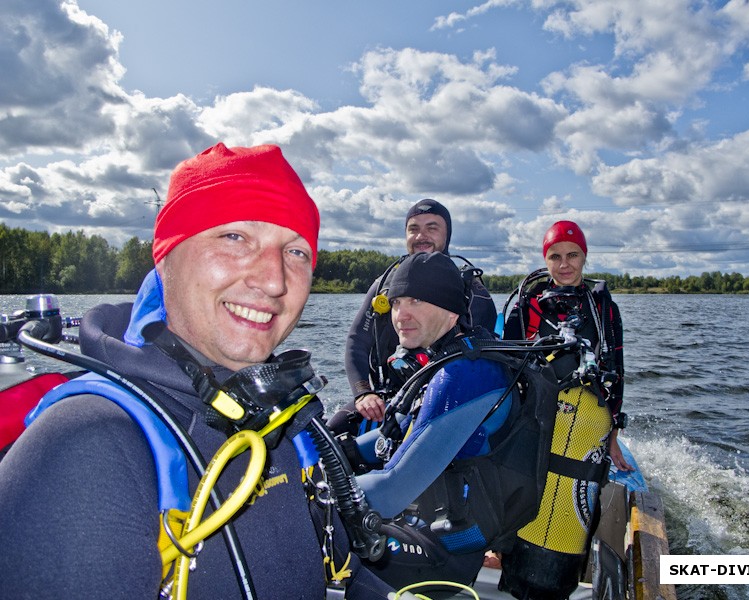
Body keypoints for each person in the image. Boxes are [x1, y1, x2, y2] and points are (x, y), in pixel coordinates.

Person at [0, 143, 395, 599]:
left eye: (296, 252)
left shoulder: (281, 421)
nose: (274, 280)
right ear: (165, 256)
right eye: (235, 237)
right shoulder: (89, 445)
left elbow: (341, 576)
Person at [343, 252, 558, 591]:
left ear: (451, 309)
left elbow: (391, 491)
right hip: (433, 522)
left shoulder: (465, 374)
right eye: (397, 302)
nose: (401, 315)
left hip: (446, 547)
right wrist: (332, 454)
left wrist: (313, 496)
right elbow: (389, 434)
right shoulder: (440, 363)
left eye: (417, 299)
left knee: (328, 531)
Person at [328, 199, 497, 435]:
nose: (421, 236)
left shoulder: (472, 292)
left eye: (432, 228)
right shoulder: (384, 285)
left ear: (447, 235)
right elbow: (357, 341)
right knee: (335, 430)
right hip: (390, 393)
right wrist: (363, 393)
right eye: (414, 229)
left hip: (448, 397)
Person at [503, 220, 630, 471]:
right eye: (555, 256)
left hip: (585, 414)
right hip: (534, 413)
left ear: (584, 256)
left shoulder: (603, 309)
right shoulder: (528, 305)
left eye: (572, 255)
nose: (564, 265)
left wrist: (613, 436)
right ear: (545, 259)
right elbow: (505, 369)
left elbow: (617, 373)